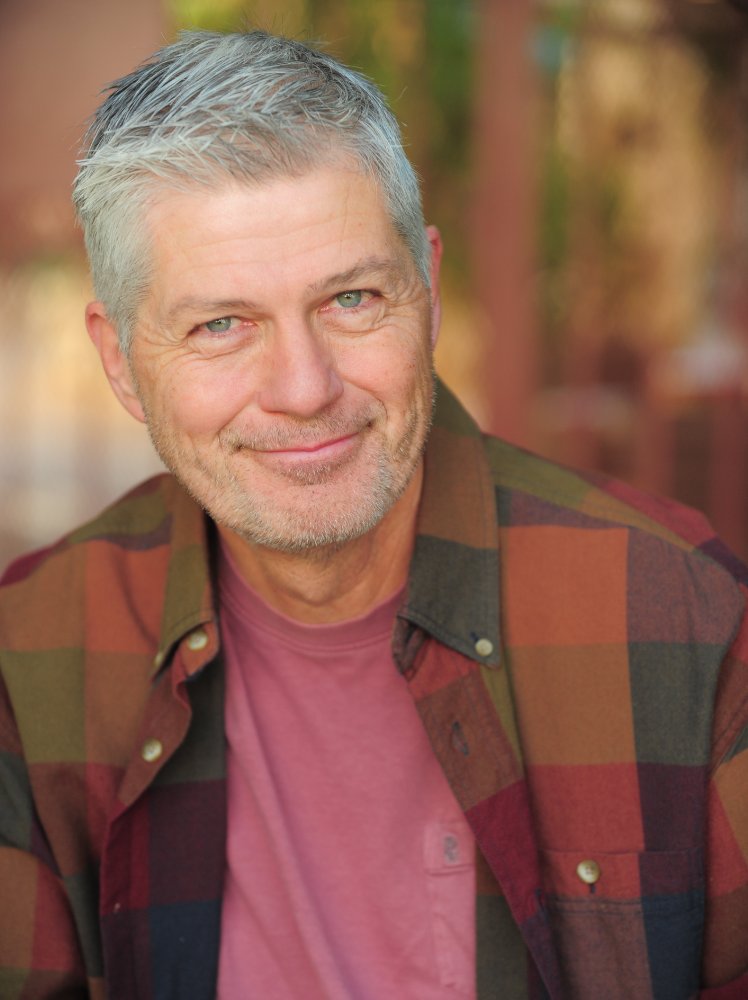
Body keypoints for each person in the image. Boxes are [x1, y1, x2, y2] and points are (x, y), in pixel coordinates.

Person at [0, 29, 747, 1000]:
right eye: (221, 324)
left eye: (351, 299)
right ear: (120, 359)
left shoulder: (685, 615)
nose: (304, 388)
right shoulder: (31, 653)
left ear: (425, 292)